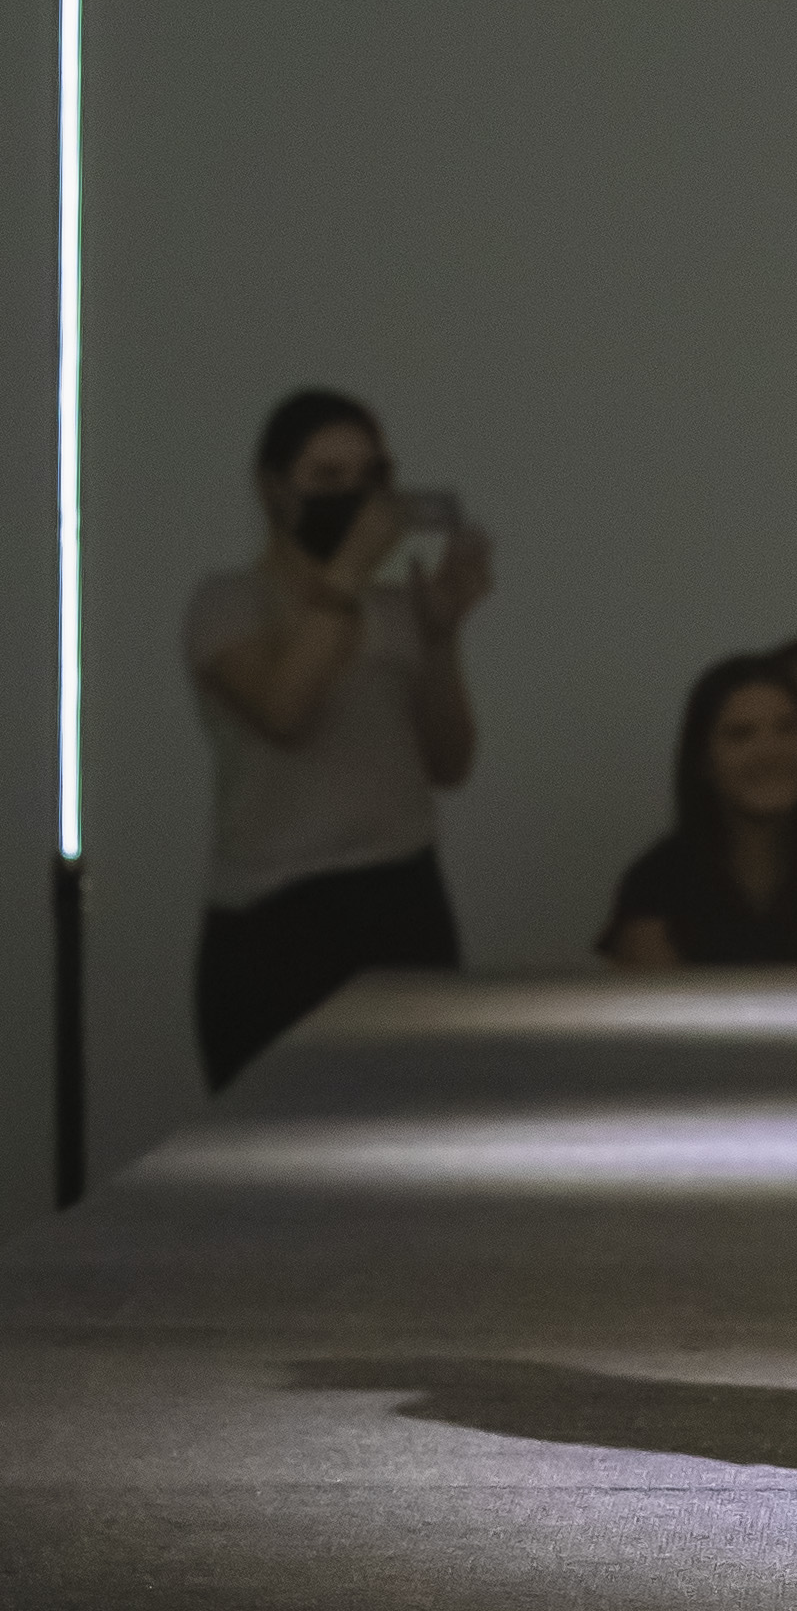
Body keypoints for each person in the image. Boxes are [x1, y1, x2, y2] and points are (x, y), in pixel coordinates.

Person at [185, 386, 493, 1090]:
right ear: (273, 488)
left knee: (413, 1125)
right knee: (276, 1133)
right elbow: (283, 710)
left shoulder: (396, 609)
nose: (353, 498)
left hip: (404, 897)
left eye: (369, 478)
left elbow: (450, 762)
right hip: (276, 915)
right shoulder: (227, 602)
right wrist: (349, 569)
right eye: (327, 478)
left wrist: (441, 637)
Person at [599, 651, 797, 967]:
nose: (769, 752)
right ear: (703, 760)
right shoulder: (656, 884)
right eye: (741, 734)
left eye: (787, 728)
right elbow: (654, 994)